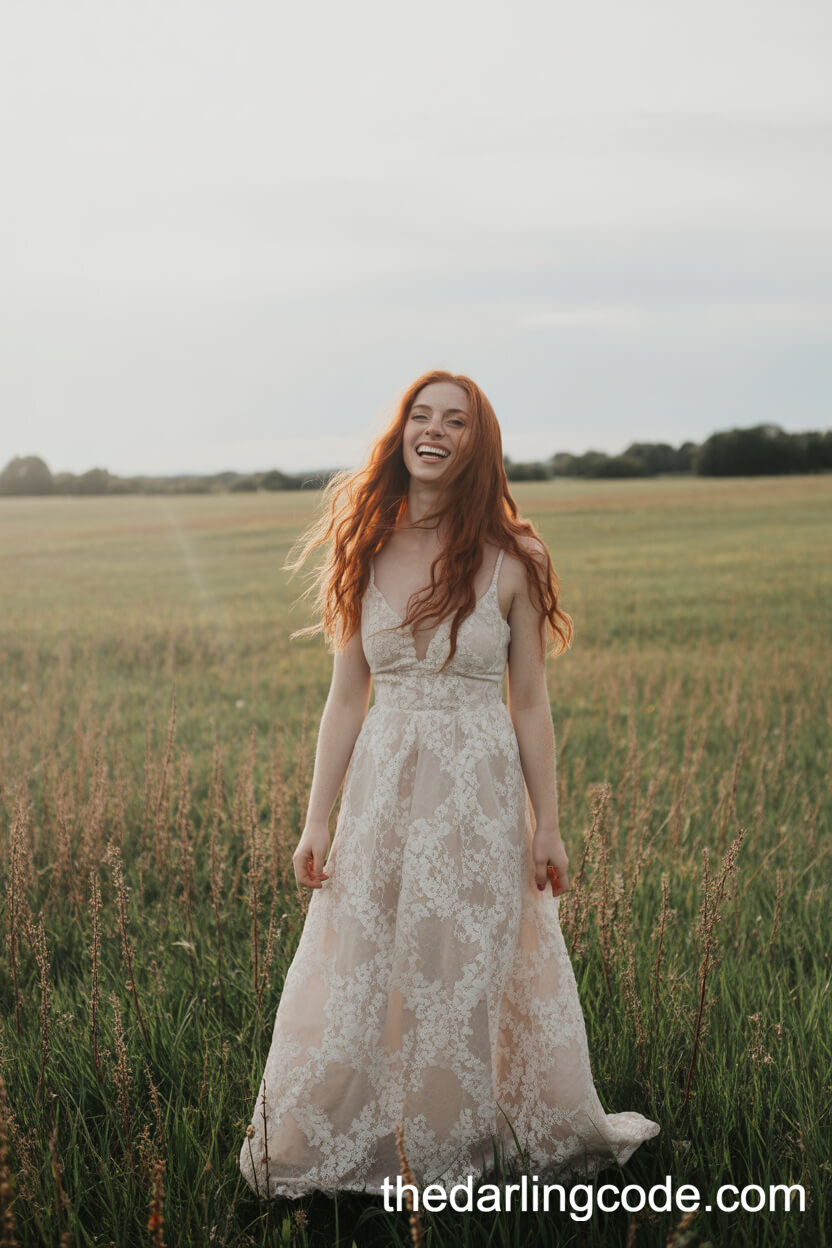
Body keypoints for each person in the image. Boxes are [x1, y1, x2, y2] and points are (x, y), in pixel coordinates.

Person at [239, 369, 659, 1199]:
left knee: (466, 965)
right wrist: (315, 818)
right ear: (400, 435)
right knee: (367, 963)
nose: (433, 430)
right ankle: (362, 1137)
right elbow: (346, 696)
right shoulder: (363, 547)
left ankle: (460, 1143)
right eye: (419, 417)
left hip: (477, 791)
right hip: (384, 789)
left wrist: (549, 825)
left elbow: (531, 703)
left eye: (454, 421)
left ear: (478, 442)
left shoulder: (516, 558)